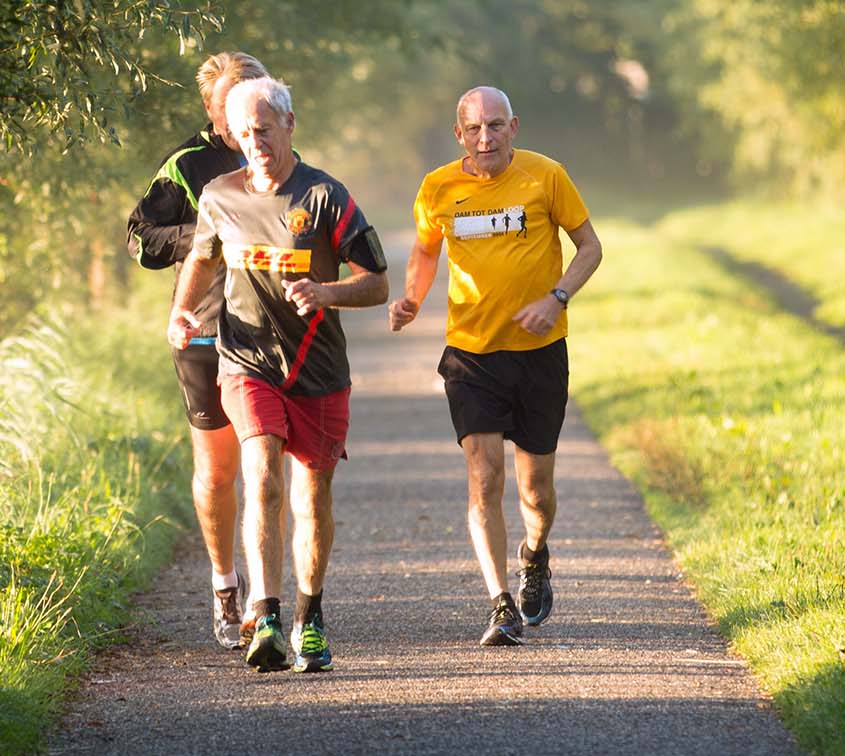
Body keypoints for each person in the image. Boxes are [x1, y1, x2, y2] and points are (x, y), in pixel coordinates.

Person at [168, 77, 388, 672]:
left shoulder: (326, 197)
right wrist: (181, 312)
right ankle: (263, 614)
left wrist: (325, 291)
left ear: (291, 124)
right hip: (247, 361)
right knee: (261, 472)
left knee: (311, 499)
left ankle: (308, 618)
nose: (256, 141)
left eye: (265, 129)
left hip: (317, 370)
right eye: (245, 132)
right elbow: (203, 256)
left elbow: (377, 283)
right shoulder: (218, 195)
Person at [389, 86, 604, 646]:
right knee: (484, 476)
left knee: (536, 492)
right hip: (471, 354)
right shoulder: (437, 187)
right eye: (475, 128)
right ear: (459, 135)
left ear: (514, 127)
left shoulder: (545, 176)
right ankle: (499, 602)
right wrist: (411, 299)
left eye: (496, 125)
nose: (486, 137)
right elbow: (426, 251)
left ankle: (535, 554)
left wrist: (556, 298)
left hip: (539, 353)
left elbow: (590, 248)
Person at [126, 51, 269, 651]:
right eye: (231, 101)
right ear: (211, 107)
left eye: (254, 97)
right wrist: (207, 235)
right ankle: (224, 584)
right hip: (207, 330)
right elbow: (142, 238)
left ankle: (268, 601)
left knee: (265, 467)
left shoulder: (276, 153)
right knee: (218, 471)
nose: (244, 113)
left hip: (268, 331)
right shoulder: (187, 164)